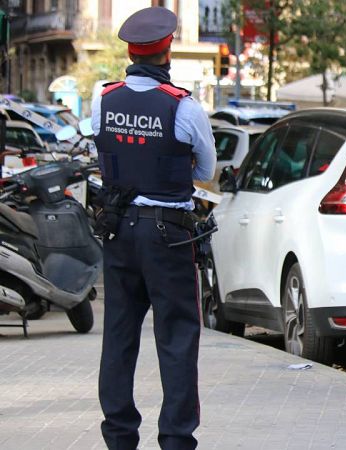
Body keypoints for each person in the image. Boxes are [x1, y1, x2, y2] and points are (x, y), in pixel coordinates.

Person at [91, 6, 215, 450]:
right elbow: (205, 169)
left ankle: (119, 438)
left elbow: (103, 152)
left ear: (130, 50)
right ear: (167, 52)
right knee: (178, 338)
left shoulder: (102, 98)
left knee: (119, 337)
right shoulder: (183, 106)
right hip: (169, 234)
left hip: (118, 229)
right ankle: (177, 440)